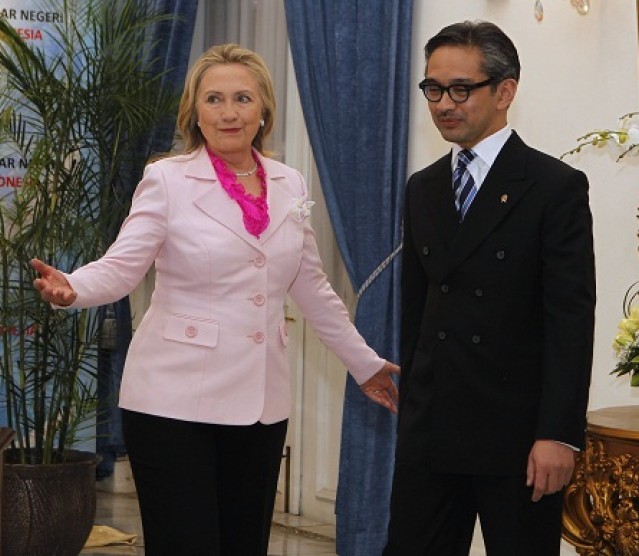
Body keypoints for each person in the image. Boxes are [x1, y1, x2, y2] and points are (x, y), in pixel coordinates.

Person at [31, 43, 399, 555]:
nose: (229, 112)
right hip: (172, 400)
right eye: (215, 99)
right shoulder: (167, 180)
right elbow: (122, 266)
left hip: (259, 404)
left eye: (243, 98)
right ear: (195, 112)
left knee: (243, 545)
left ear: (263, 108)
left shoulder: (290, 183)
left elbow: (312, 288)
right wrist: (72, 289)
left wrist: (365, 365)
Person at [384, 21, 595, 556]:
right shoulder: (424, 187)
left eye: (460, 89)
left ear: (504, 91)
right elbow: (418, 311)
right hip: (432, 432)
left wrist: (559, 434)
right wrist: (411, 413)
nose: (443, 104)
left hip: (519, 439)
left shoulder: (553, 187)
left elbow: (570, 321)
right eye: (433, 89)